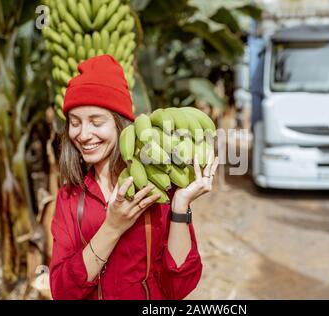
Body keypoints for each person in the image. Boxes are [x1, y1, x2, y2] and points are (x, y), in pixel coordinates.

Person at [49, 55, 219, 300]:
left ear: (120, 125)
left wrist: (180, 205)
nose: (84, 134)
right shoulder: (70, 197)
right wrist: (112, 227)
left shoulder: (157, 189)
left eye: (96, 122)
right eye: (75, 123)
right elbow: (63, 292)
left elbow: (178, 288)